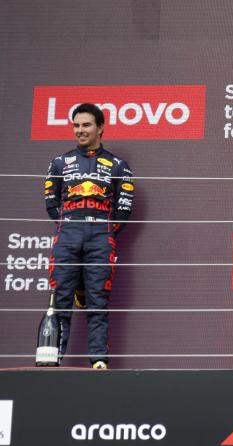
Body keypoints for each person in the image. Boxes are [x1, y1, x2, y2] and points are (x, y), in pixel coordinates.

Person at [45, 103, 134, 368]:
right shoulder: (60, 162)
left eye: (86, 125)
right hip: (68, 234)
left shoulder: (118, 165)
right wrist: (72, 226)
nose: (80, 131)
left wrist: (102, 229)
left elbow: (124, 209)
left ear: (100, 128)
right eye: (76, 125)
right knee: (60, 300)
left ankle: (98, 360)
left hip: (101, 236)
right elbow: (51, 205)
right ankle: (53, 360)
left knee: (98, 302)